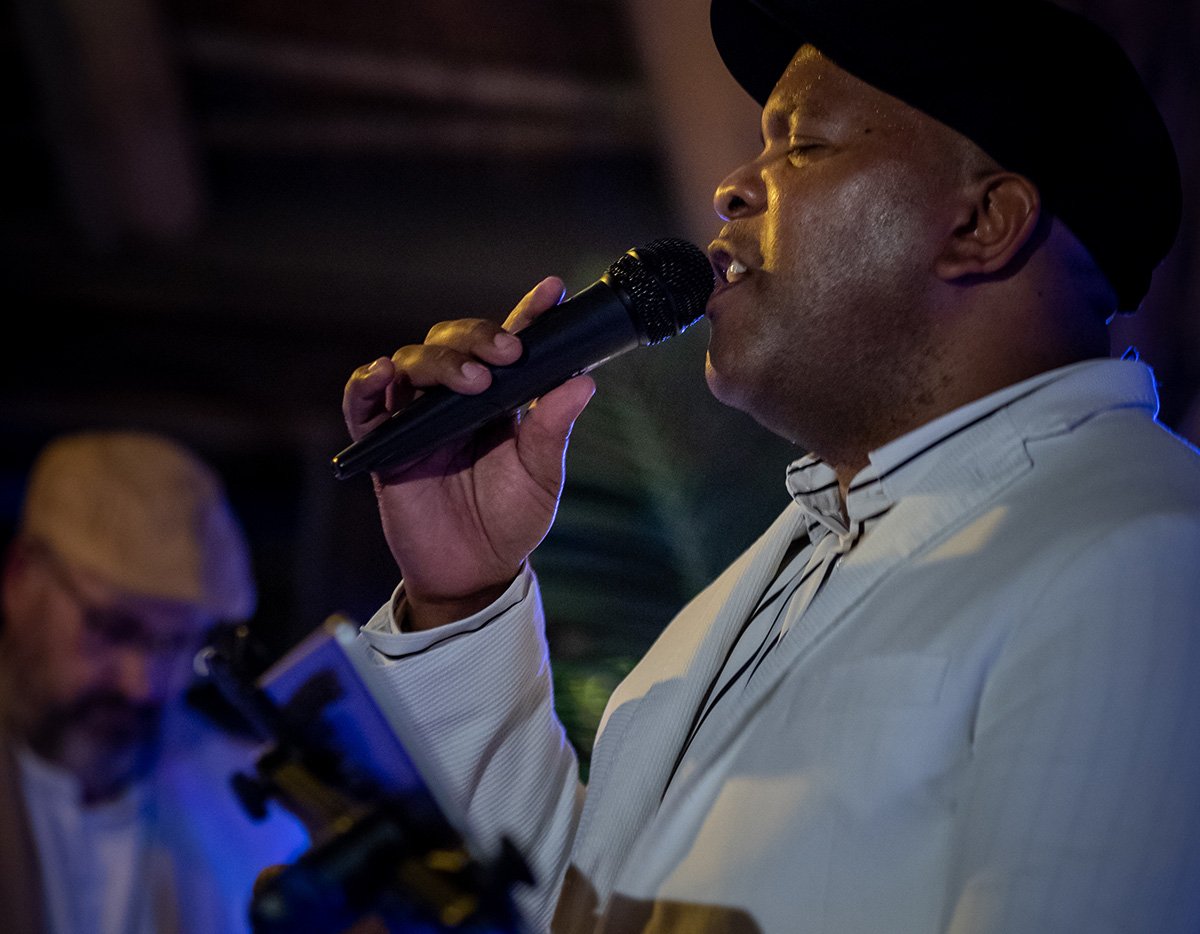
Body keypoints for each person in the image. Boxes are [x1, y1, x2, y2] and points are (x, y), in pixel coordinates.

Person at [339, 0, 1200, 931]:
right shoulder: (774, 573)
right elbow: (568, 914)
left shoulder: (1145, 563)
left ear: (982, 223)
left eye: (804, 147)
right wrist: (461, 600)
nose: (732, 189)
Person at [0, 430, 307, 934]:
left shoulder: (250, 809)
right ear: (19, 579)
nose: (142, 685)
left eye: (176, 643)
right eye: (111, 629)